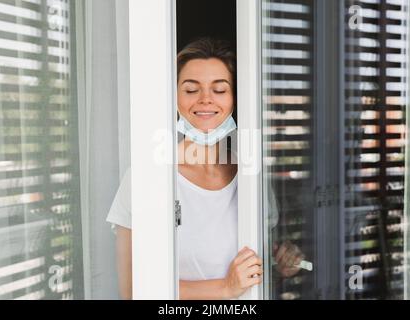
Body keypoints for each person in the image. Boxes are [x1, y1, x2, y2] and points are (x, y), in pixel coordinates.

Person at [106, 38, 305, 300]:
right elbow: (132, 292)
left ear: (235, 98)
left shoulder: (251, 177)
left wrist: (281, 265)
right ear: (174, 97)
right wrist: (225, 287)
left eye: (220, 90)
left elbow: (255, 273)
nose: (205, 100)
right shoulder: (145, 179)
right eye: (191, 90)